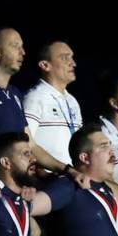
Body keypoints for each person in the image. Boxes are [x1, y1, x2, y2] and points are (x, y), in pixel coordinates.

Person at [0, 28, 83, 183]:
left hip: (15, 185)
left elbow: (32, 145)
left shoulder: (15, 93)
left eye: (22, 46)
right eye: (15, 46)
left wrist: (67, 170)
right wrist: (2, 181)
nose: (23, 52)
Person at [22, 39, 83, 168]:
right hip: (50, 180)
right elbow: (25, 144)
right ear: (45, 65)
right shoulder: (34, 98)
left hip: (76, 177)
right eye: (64, 58)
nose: (73, 63)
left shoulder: (72, 101)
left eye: (71, 57)